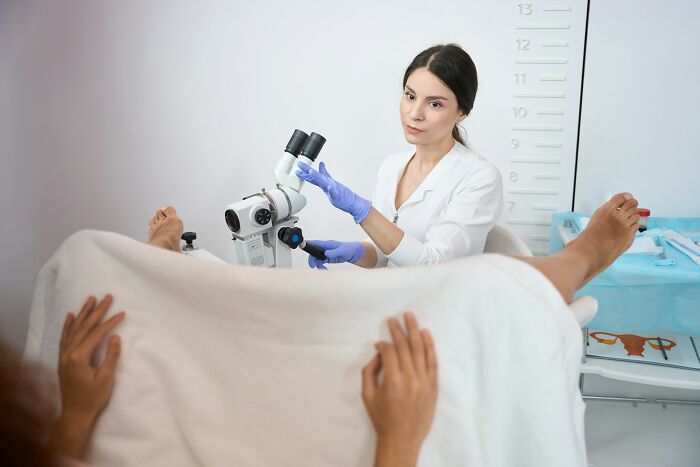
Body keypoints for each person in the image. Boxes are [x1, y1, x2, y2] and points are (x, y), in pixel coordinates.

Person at [294, 44, 504, 270]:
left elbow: (434, 264)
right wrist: (356, 251)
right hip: (393, 294)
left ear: (462, 112)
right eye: (410, 96)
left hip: (440, 301)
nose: (414, 114)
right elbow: (385, 253)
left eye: (434, 104)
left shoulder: (480, 178)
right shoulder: (392, 166)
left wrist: (362, 211)